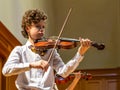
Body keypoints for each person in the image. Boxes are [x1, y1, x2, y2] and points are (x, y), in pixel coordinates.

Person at [2, 9, 91, 90]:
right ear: (27, 28)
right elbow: (6, 70)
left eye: (43, 27)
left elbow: (64, 72)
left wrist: (80, 53)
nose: (42, 30)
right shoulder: (20, 51)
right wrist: (32, 65)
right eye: (37, 26)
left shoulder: (51, 51)